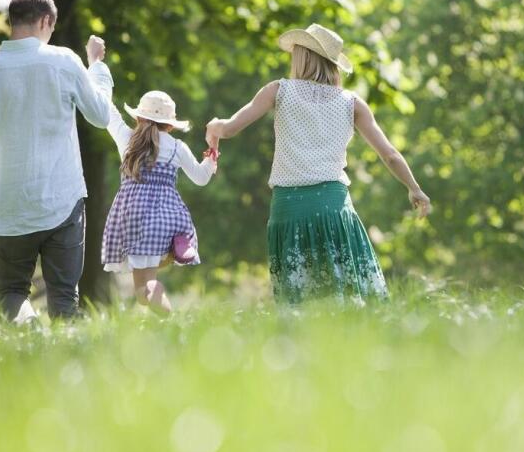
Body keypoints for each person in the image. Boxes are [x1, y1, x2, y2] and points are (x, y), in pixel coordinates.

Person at [205, 23, 431, 304]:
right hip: (333, 207)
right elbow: (390, 155)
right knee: (346, 296)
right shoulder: (352, 103)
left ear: (302, 56)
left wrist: (214, 128)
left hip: (289, 208)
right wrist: (414, 188)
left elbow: (229, 128)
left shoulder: (278, 91)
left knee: (299, 302)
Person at [0, 0, 115, 322]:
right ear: (46, 21)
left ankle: (27, 340)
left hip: (6, 204)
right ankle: (64, 366)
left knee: (11, 292)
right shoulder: (64, 61)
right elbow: (100, 115)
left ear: (12, 22)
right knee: (65, 295)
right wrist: (96, 66)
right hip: (61, 199)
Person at [101, 90, 217, 314]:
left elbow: (109, 111)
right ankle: (178, 248)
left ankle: (169, 318)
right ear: (170, 125)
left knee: (143, 292)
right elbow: (201, 178)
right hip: (166, 220)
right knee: (147, 287)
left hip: (133, 219)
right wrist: (212, 152)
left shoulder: (127, 140)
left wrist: (96, 67)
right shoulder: (177, 147)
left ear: (138, 118)